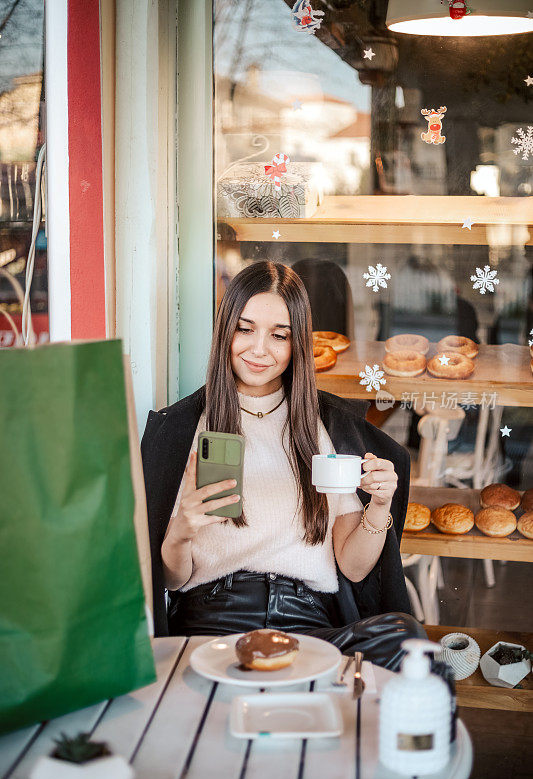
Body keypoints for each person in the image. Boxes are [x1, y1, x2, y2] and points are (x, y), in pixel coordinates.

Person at [141, 261, 426, 670]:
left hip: (308, 623)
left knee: (407, 638)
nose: (259, 349)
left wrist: (378, 506)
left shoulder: (320, 427)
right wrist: (182, 528)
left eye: (279, 335)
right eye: (245, 329)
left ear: (297, 346)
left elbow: (354, 566)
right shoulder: (182, 428)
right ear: (226, 331)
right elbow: (169, 580)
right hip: (213, 621)